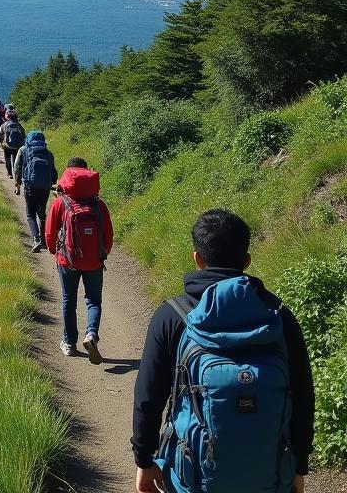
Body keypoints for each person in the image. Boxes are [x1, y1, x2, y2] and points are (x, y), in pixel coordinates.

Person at [131, 209, 314, 493]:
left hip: (192, 478)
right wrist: (299, 467)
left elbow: (148, 397)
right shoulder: (278, 317)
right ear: (247, 261)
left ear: (197, 258)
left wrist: (144, 460)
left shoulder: (172, 315)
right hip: (270, 476)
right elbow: (303, 396)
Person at [45, 157, 113, 361]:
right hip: (94, 261)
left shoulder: (61, 202)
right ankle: (91, 334)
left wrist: (52, 250)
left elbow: (50, 231)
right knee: (93, 300)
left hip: (67, 260)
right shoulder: (98, 204)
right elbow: (108, 234)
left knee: (69, 300)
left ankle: (69, 343)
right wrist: (103, 253)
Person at [13, 130, 57, 252]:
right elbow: (53, 171)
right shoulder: (48, 153)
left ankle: (36, 240)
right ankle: (44, 239)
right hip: (45, 187)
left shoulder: (23, 150)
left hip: (30, 186)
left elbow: (17, 167)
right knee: (42, 212)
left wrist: (17, 183)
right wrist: (53, 184)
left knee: (30, 214)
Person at [2, 116, 26, 181]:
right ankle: (16, 173)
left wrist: (6, 143)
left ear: (10, 119)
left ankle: (9, 173)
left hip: (8, 146)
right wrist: (21, 144)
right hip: (17, 146)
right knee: (16, 160)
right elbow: (23, 134)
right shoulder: (19, 125)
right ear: (16, 119)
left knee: (7, 159)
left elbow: (6, 136)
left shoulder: (7, 125)